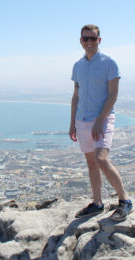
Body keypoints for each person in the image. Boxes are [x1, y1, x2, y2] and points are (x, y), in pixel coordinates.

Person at [69, 24, 132, 221]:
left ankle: (125, 201)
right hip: (82, 119)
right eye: (85, 39)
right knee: (91, 162)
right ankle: (97, 204)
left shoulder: (109, 63)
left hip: (102, 118)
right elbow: (76, 96)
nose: (89, 42)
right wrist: (72, 123)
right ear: (80, 41)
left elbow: (113, 95)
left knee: (101, 159)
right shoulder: (78, 66)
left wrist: (100, 121)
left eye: (92, 38)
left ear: (99, 40)